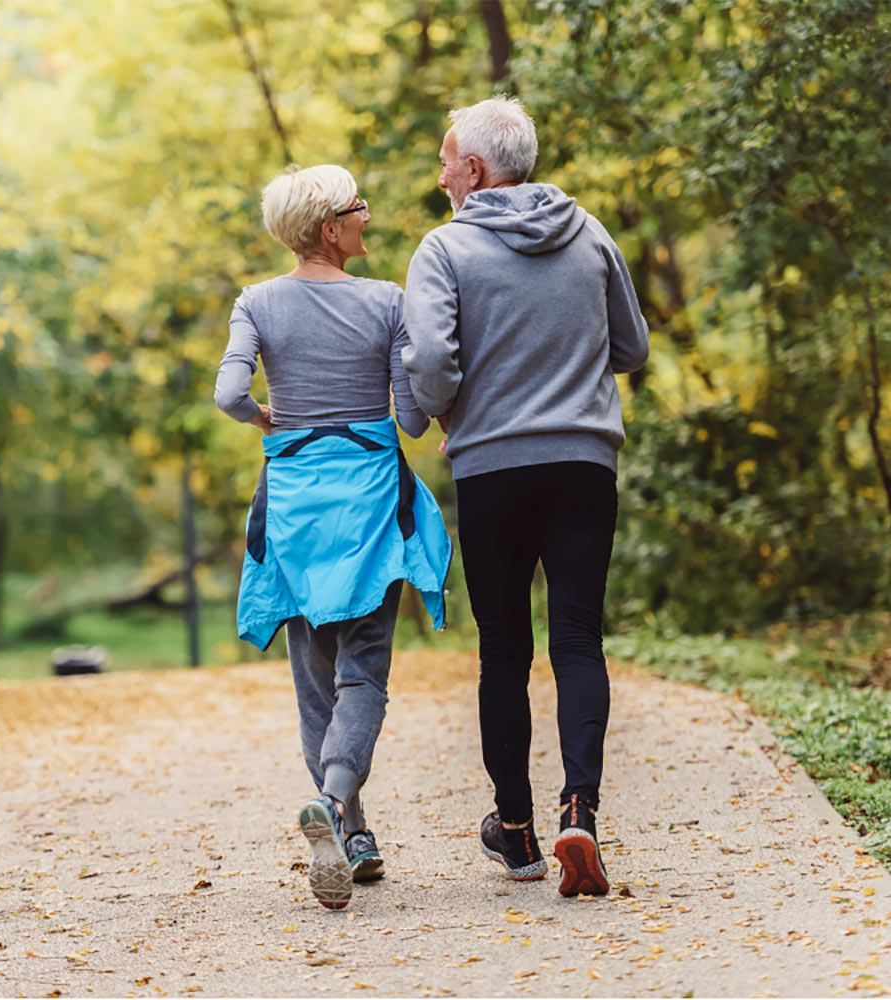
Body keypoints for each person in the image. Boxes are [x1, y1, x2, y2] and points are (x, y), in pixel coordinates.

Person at [402, 96, 648, 897]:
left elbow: (432, 363)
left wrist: (455, 411)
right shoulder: (591, 232)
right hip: (584, 462)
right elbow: (632, 346)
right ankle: (582, 809)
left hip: (493, 469)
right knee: (578, 639)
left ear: (474, 169)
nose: (440, 176)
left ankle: (516, 832)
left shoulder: (444, 249)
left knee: (504, 649)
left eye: (445, 162)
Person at [214, 164, 451, 910]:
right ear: (329, 229)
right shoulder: (387, 302)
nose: (367, 215)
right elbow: (412, 418)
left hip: (292, 506)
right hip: (369, 502)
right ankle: (339, 797)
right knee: (365, 670)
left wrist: (266, 419)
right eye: (357, 208)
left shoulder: (257, 303)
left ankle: (349, 830)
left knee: (314, 677)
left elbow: (228, 394)